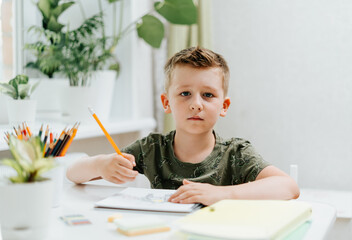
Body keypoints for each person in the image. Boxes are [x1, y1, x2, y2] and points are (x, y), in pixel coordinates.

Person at [66, 47, 299, 206]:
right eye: (185, 93)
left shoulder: (236, 153)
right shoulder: (151, 149)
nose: (196, 104)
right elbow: (73, 173)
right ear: (167, 102)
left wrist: (223, 194)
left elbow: (288, 186)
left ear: (223, 106)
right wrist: (101, 164)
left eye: (208, 95)